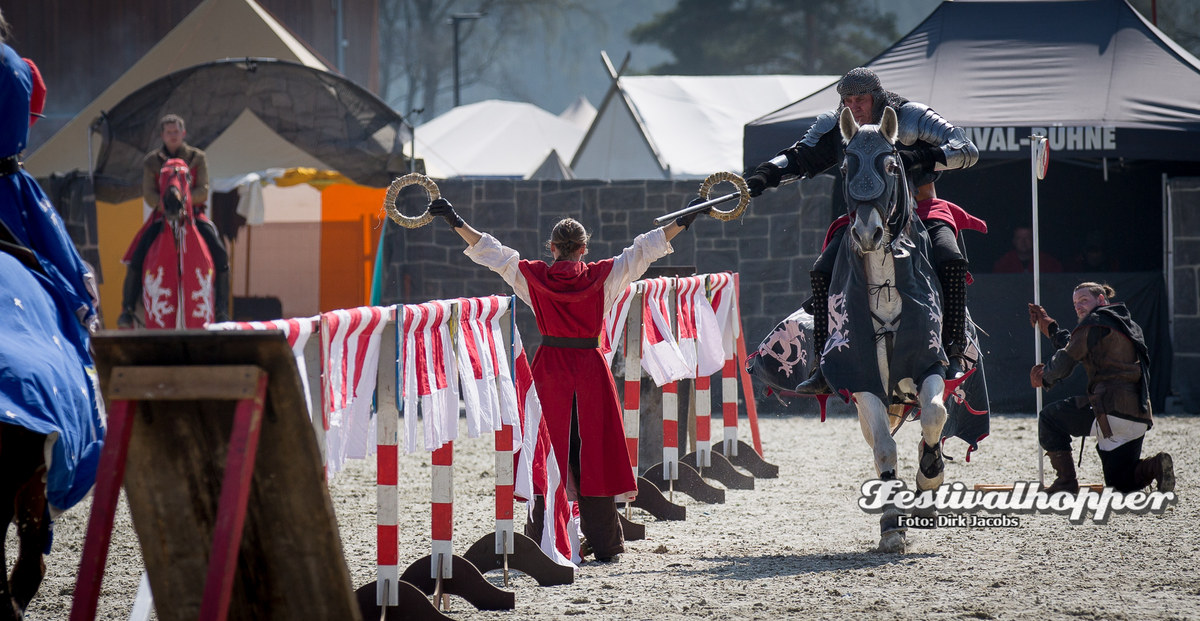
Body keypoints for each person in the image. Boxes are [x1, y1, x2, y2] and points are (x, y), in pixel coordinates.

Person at [425, 195, 707, 563]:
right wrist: (685, 218)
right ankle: (605, 543)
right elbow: (645, 249)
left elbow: (492, 252)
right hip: (590, 372)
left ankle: (544, 538)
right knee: (595, 456)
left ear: (553, 247)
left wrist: (455, 220)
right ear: (584, 248)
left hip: (551, 375)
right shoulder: (604, 276)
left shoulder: (534, 278)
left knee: (550, 454)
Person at [743, 66, 981, 392]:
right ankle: (823, 367)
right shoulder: (838, 125)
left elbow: (967, 149)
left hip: (920, 210)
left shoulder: (909, 116)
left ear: (877, 98)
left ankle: (952, 350)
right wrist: (765, 174)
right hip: (863, 217)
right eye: (848, 100)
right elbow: (800, 158)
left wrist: (918, 158)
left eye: (861, 100)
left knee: (951, 260)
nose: (854, 108)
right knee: (822, 270)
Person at [1028, 282, 1173, 494]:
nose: (1078, 306)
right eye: (1075, 303)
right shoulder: (1128, 326)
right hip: (1138, 415)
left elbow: (1065, 361)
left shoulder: (1093, 323)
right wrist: (1052, 329)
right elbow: (1079, 346)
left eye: (1084, 300)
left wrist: (1044, 376)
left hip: (1110, 410)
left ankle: (1065, 482)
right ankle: (1155, 466)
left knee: (1049, 418)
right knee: (1121, 482)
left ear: (1102, 300)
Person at [119, 114, 228, 326]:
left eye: (176, 132)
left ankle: (222, 309)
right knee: (137, 255)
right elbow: (149, 194)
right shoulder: (151, 161)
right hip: (162, 215)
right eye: (169, 132)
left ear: (183, 133)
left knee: (220, 254)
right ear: (162, 135)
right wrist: (167, 207)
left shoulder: (197, 157)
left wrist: (183, 204)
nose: (173, 136)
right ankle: (128, 308)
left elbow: (203, 190)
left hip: (193, 215)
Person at [992, 225, 1063, 273]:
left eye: (1027, 238)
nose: (1023, 242)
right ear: (1014, 241)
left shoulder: (1049, 263)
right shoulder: (1003, 263)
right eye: (1019, 238)